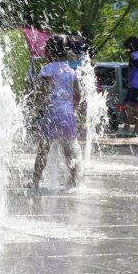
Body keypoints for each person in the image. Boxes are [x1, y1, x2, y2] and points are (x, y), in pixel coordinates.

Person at [32, 35, 81, 188]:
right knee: (69, 151)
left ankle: (35, 181)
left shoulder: (47, 69)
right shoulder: (71, 71)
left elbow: (44, 92)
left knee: (43, 149)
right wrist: (72, 110)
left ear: (50, 52)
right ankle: (73, 181)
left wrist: (36, 107)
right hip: (67, 115)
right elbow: (78, 95)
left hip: (52, 113)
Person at [121, 36, 138, 137]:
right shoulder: (137, 54)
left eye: (127, 46)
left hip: (135, 84)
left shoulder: (134, 55)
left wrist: (133, 59)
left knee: (128, 106)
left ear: (131, 46)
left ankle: (127, 129)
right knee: (136, 107)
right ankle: (136, 130)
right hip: (136, 84)